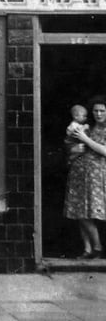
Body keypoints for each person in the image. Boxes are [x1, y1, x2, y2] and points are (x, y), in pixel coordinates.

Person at [64, 97, 106, 259]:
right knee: (79, 212)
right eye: (95, 110)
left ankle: (97, 247)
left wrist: (85, 140)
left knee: (88, 213)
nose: (98, 114)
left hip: (97, 176)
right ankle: (87, 249)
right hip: (79, 173)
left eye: (102, 110)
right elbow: (72, 145)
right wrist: (75, 149)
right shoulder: (88, 127)